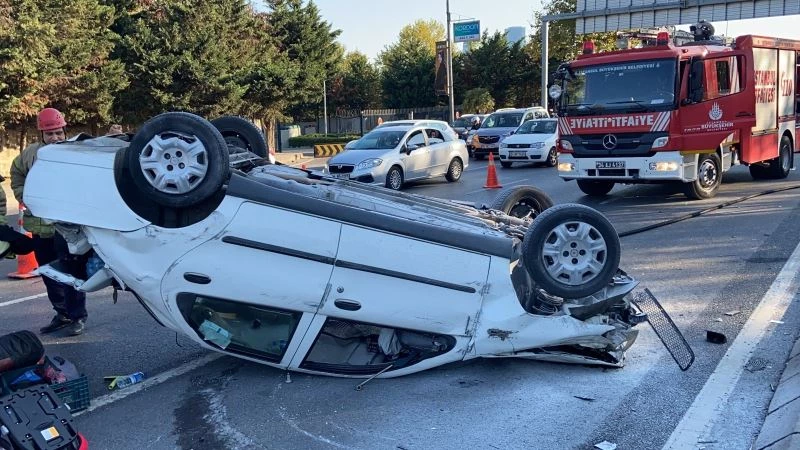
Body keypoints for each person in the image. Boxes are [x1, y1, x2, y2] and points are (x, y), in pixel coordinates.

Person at [10, 108, 89, 336]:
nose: (55, 138)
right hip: (39, 226)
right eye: (50, 134)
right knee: (48, 272)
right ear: (41, 135)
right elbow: (17, 175)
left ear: (64, 132)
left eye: (58, 133)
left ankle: (77, 316)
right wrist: (24, 194)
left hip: (67, 228)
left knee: (70, 272)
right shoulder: (30, 154)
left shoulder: (74, 154)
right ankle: (62, 313)